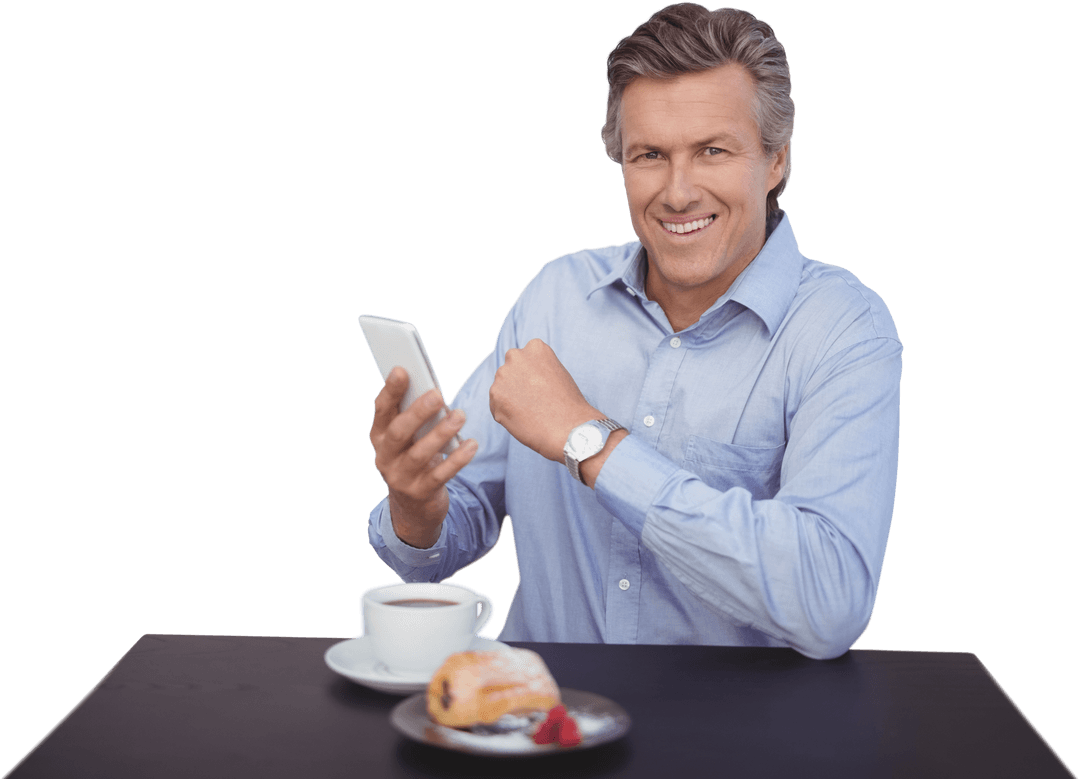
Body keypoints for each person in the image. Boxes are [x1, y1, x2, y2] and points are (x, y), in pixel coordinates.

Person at [367, 3, 901, 660]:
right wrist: (416, 502)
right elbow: (438, 548)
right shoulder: (556, 299)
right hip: (543, 731)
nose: (677, 192)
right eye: (650, 154)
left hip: (742, 747)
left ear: (776, 161)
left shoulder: (844, 330)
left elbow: (831, 602)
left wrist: (592, 443)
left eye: (712, 150)